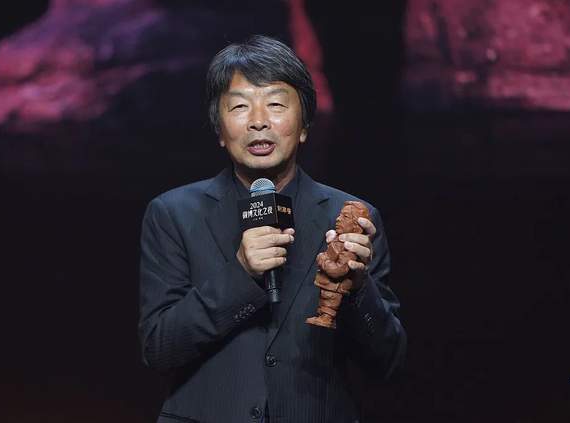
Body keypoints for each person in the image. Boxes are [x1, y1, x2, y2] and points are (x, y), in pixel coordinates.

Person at [138, 35, 406, 423]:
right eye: (240, 106)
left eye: (276, 104)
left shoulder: (352, 217)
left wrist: (359, 288)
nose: (259, 120)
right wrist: (240, 275)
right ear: (219, 129)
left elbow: (388, 362)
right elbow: (159, 349)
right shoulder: (173, 214)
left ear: (304, 125)